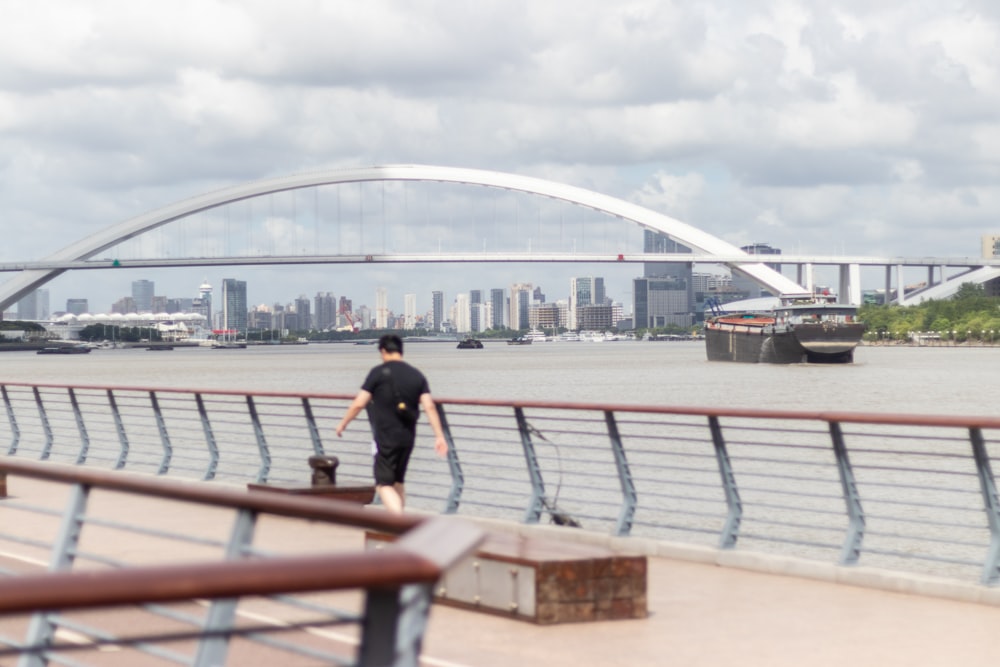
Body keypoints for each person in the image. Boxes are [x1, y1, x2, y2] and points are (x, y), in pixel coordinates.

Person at [335, 334, 448, 513]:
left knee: (383, 485)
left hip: (385, 437)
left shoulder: (378, 373)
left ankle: (398, 522)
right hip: (408, 437)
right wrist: (439, 436)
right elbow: (430, 407)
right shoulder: (416, 375)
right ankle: (398, 525)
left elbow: (359, 403)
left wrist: (343, 423)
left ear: (383, 351)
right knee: (398, 483)